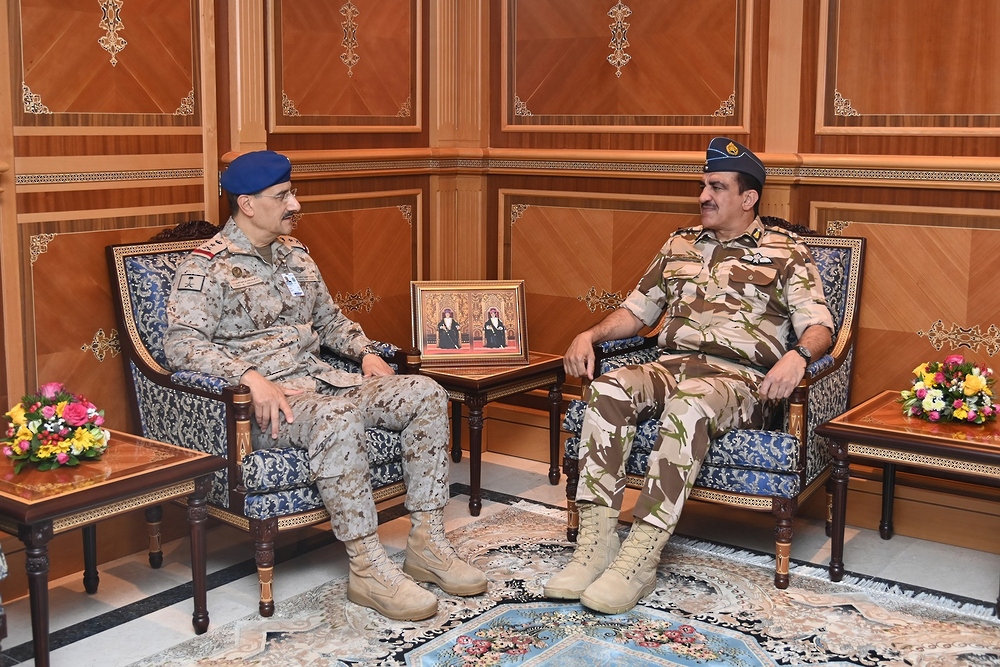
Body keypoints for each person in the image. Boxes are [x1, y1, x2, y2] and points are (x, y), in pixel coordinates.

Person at [164, 150, 486, 621]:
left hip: (324, 380)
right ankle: (367, 569)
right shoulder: (206, 267)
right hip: (275, 404)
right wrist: (249, 377)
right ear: (248, 204)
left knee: (426, 393)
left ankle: (427, 545)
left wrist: (366, 352)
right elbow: (181, 345)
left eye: (292, 193)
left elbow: (329, 321)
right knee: (337, 417)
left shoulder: (295, 254)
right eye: (283, 196)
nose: (295, 204)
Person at [544, 138, 835, 615]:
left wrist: (798, 357)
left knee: (690, 403)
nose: (704, 196)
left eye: (716, 187)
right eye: (703, 186)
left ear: (748, 197)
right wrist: (588, 335)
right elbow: (636, 313)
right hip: (670, 366)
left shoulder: (787, 253)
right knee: (609, 389)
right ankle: (596, 546)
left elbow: (820, 326)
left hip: (738, 381)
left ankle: (639, 558)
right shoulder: (679, 244)